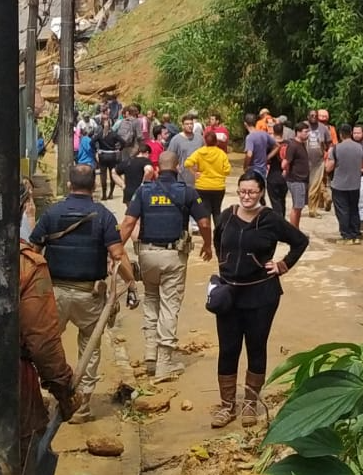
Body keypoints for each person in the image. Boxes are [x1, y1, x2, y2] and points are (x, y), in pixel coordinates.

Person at [30, 164, 137, 423]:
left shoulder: (52, 213)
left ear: (69, 185)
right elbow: (117, 254)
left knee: (43, 345)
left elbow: (32, 251)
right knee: (90, 345)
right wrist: (131, 285)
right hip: (89, 295)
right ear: (94, 187)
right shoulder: (103, 215)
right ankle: (83, 405)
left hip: (53, 294)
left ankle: (44, 396)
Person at [210, 170, 309, 428]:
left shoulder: (270, 220)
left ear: (261, 192)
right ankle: (227, 405)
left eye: (252, 192)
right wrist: (225, 267)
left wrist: (282, 265)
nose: (246, 196)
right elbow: (218, 240)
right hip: (229, 294)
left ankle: (251, 403)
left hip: (261, 294)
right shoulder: (226, 216)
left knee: (256, 347)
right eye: (242, 191)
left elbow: (300, 241)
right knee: (228, 348)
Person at [119, 152, 213, 380]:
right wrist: (208, 245)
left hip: (147, 255)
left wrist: (115, 250)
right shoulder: (187, 192)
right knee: (170, 306)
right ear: (178, 168)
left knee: (151, 300)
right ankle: (164, 365)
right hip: (173, 256)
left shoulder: (143, 191)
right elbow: (204, 221)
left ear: (157, 169)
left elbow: (129, 222)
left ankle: (150, 355)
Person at [18, 181, 78, 475]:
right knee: (18, 462)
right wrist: (63, 388)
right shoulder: (26, 266)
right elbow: (42, 342)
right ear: (23, 210)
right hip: (10, 382)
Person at [325, 123, 363, 244]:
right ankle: (356, 234)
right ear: (351, 134)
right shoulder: (360, 147)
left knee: (342, 210)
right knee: (354, 209)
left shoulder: (336, 148)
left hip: (339, 185)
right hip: (355, 184)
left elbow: (328, 168)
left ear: (340, 134)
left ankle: (346, 235)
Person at [185, 129, 232, 218]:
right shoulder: (221, 154)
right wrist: (220, 174)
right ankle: (218, 231)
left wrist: (194, 172)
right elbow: (227, 170)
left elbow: (187, 163)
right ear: (216, 142)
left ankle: (206, 231)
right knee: (217, 211)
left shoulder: (199, 152)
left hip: (202, 186)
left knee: (205, 212)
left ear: (205, 141)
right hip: (218, 186)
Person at [283, 119, 310, 228]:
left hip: (302, 180)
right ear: (298, 132)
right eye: (305, 132)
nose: (307, 134)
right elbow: (285, 163)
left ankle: (296, 229)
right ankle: (293, 230)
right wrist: (287, 173)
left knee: (300, 207)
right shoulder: (293, 145)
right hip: (296, 180)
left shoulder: (301, 144)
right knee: (297, 207)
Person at [305, 108, 332, 218]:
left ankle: (312, 210)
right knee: (312, 185)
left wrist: (329, 158)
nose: (314, 117)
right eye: (311, 115)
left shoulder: (323, 129)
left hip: (319, 161)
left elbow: (330, 144)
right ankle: (326, 197)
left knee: (314, 186)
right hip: (305, 161)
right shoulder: (303, 126)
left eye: (315, 116)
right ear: (307, 117)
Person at [166, 113, 205, 185]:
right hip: (182, 179)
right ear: (182, 125)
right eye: (187, 124)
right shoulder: (176, 140)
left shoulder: (200, 138)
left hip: (198, 179)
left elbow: (205, 155)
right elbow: (170, 158)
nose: (189, 126)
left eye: (191, 124)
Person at [243, 112, 277, 185]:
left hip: (253, 168)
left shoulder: (250, 137)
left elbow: (249, 154)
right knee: (261, 190)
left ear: (245, 124)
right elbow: (277, 146)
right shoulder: (264, 134)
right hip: (263, 168)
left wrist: (245, 166)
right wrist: (267, 157)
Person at [94, 118, 122, 200]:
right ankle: (111, 193)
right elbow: (123, 142)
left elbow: (91, 142)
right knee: (112, 174)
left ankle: (104, 194)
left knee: (103, 175)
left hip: (102, 155)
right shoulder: (113, 134)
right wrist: (119, 149)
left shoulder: (99, 134)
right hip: (112, 155)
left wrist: (97, 150)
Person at [266, 121, 288, 218]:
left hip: (273, 176)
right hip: (285, 177)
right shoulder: (288, 144)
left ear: (273, 131)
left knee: (275, 203)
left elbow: (266, 159)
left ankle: (278, 222)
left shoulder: (270, 144)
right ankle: (282, 219)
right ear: (283, 131)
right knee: (282, 201)